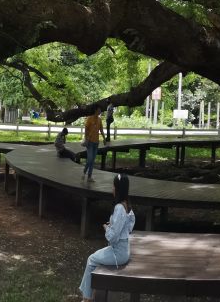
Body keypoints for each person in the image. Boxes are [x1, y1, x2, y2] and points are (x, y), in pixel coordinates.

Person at [79, 173, 135, 301]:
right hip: (124, 250)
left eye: (114, 186)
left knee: (91, 260)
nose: (112, 189)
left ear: (118, 189)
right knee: (93, 259)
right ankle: (88, 296)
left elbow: (112, 237)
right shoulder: (127, 205)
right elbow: (130, 224)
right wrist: (115, 225)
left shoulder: (119, 208)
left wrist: (107, 228)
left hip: (118, 253)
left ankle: (86, 298)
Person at [83, 107, 103, 180]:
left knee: (92, 160)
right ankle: (85, 171)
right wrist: (86, 138)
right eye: (99, 110)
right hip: (90, 142)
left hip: (96, 143)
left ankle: (89, 176)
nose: (100, 111)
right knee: (90, 159)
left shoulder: (99, 120)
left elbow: (101, 129)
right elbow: (86, 128)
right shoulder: (89, 118)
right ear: (95, 110)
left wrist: (104, 138)